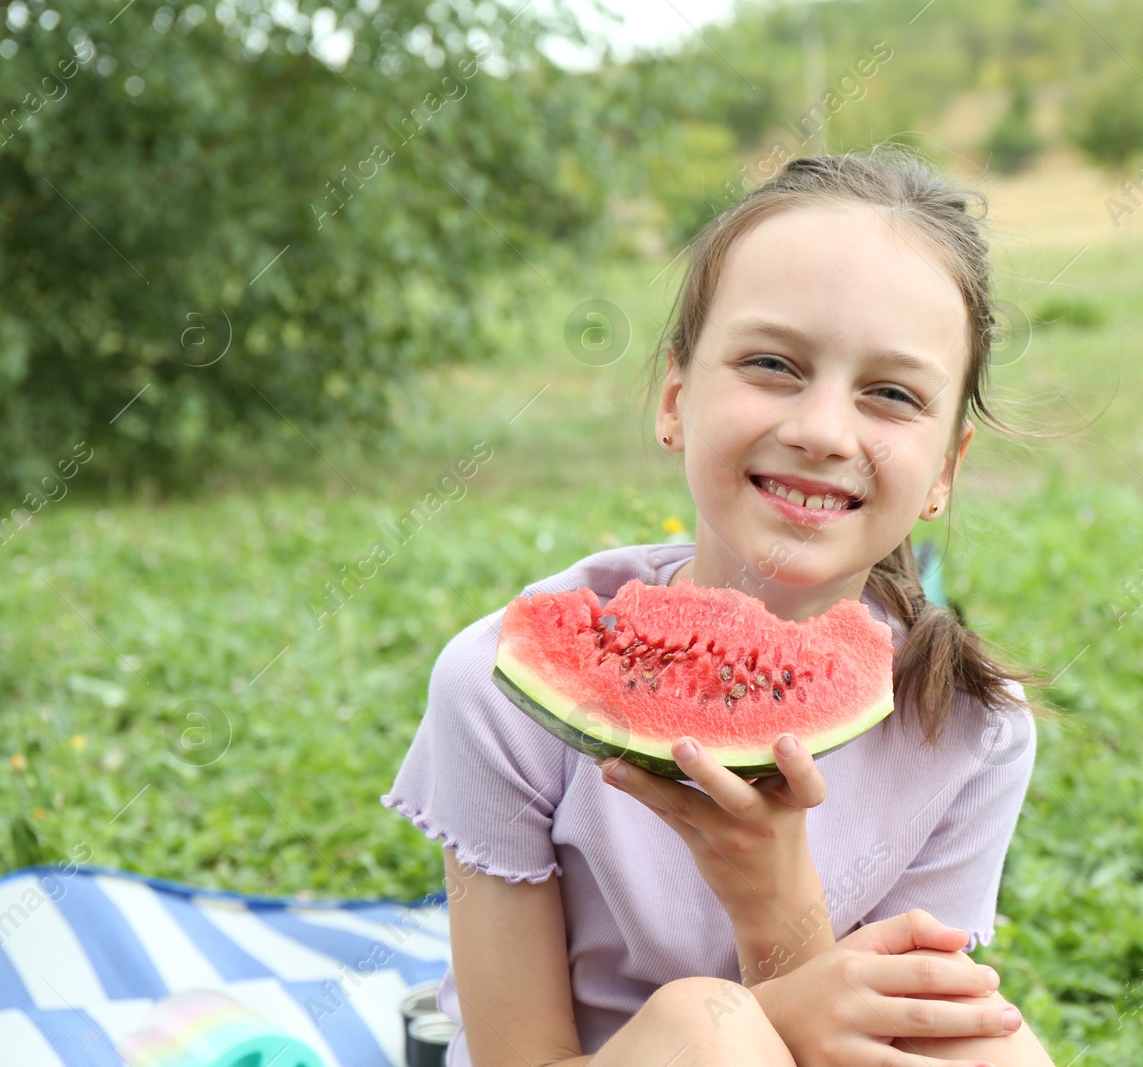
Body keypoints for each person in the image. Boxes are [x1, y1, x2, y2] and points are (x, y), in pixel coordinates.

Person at [382, 147, 1056, 1067]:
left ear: (945, 468)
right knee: (712, 1029)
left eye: (891, 393)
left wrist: (774, 897)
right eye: (773, 363)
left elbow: (885, 1035)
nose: (821, 430)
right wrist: (761, 1015)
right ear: (674, 397)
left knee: (998, 1051)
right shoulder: (496, 688)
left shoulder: (976, 730)